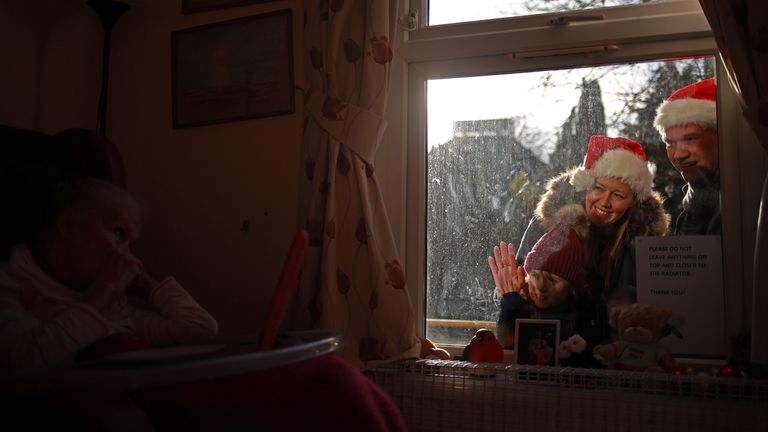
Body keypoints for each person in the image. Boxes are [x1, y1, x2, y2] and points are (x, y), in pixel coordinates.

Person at [0, 176, 218, 370]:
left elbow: (200, 327)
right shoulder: (12, 282)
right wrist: (103, 291)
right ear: (68, 224)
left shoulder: (115, 306)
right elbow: (17, 363)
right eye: (118, 233)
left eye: (130, 243)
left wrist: (148, 286)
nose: (128, 257)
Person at [491, 136, 670, 344]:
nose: (605, 202)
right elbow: (516, 294)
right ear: (586, 187)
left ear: (633, 203)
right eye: (598, 188)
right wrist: (511, 295)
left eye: (618, 195)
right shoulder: (548, 224)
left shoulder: (641, 245)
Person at [653, 77, 720, 235]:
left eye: (690, 139)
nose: (678, 155)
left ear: (721, 135)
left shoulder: (745, 200)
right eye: (670, 143)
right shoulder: (694, 206)